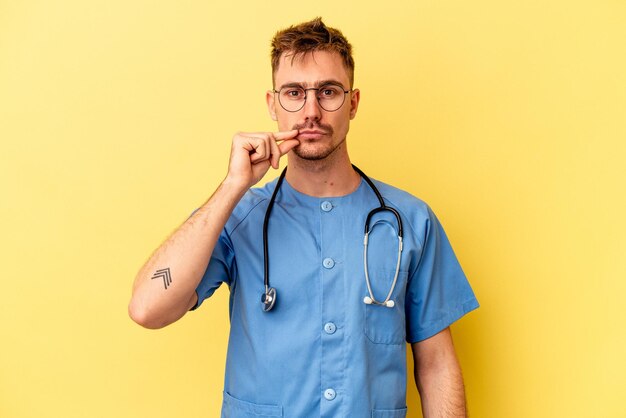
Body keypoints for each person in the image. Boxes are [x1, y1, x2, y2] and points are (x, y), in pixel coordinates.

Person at [129, 17, 479, 418]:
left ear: (353, 102)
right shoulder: (238, 217)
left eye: (328, 91)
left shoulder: (410, 222)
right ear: (272, 104)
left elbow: (436, 366)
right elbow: (147, 309)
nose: (311, 111)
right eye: (294, 93)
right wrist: (231, 186)